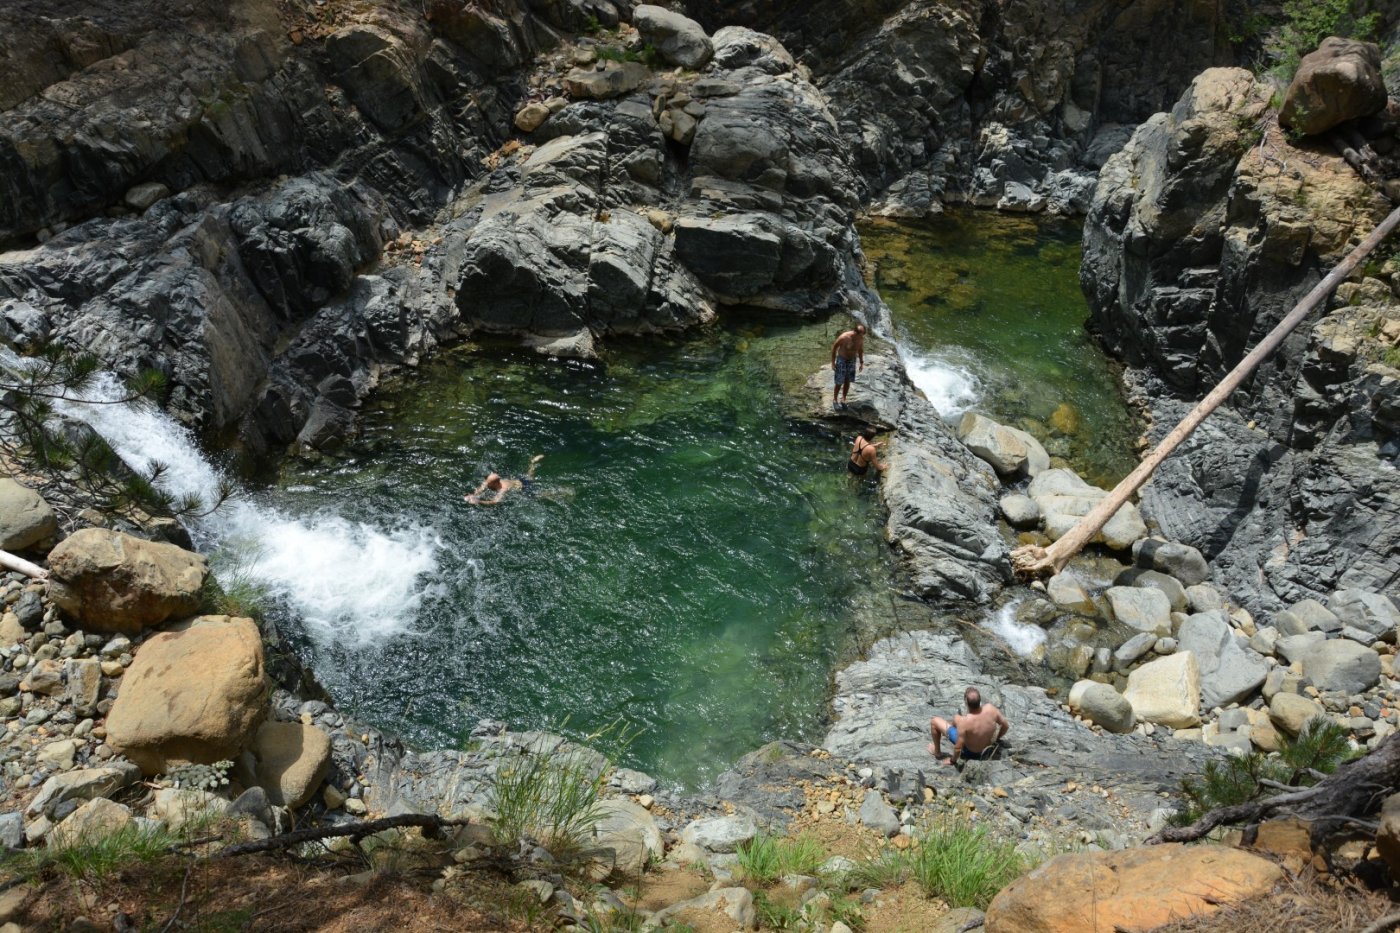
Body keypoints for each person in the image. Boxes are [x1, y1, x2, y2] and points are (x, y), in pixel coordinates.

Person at [928, 687, 1008, 765]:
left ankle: (937, 752)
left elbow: (958, 748)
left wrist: (952, 761)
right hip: (987, 750)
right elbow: (1005, 726)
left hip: (970, 753)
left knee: (935, 721)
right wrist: (996, 739)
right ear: (980, 700)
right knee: (957, 720)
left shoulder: (964, 721)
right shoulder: (991, 709)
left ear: (966, 702)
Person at [464, 454, 544, 505]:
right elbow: (481, 488)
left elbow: (495, 501)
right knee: (529, 476)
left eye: (488, 482)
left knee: (539, 495)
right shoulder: (489, 481)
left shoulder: (504, 488)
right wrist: (472, 495)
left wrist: (479, 501)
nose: (485, 483)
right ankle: (533, 463)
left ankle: (553, 494)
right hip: (517, 480)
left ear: (494, 483)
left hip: (524, 486)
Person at [830, 323, 866, 408]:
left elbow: (860, 350)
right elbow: (834, 348)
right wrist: (833, 362)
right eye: (860, 334)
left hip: (852, 360)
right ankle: (835, 399)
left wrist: (861, 362)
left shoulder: (861, 338)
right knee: (839, 381)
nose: (861, 336)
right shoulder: (844, 337)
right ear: (855, 332)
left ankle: (844, 398)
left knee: (847, 380)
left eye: (863, 334)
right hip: (842, 359)